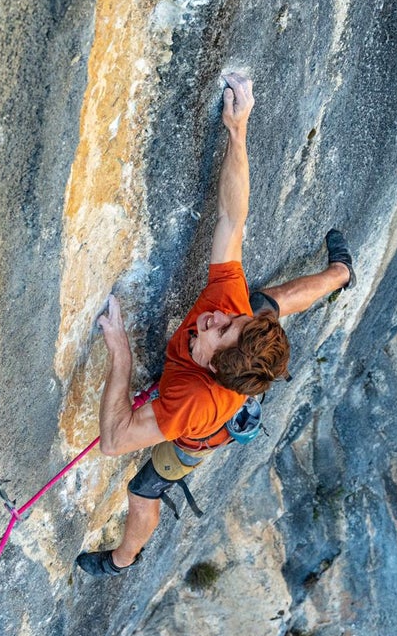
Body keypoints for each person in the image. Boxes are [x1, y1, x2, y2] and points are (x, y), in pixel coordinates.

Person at [76, 72, 354, 577]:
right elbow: (232, 218)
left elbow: (115, 439)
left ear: (211, 363)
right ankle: (341, 273)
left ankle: (122, 560)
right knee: (265, 300)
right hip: (235, 374)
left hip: (200, 435)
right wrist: (239, 130)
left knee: (144, 490)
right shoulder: (235, 314)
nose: (216, 314)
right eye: (231, 320)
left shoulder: (189, 404)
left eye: (219, 329)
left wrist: (120, 349)